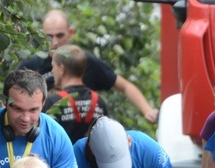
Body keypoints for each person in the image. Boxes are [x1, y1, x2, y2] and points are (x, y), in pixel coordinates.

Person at [18, 9, 158, 123]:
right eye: (49, 36)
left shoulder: (87, 61)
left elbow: (125, 85)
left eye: (60, 35)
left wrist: (147, 110)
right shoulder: (31, 66)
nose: (55, 42)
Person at [43, 45, 109, 144]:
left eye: (54, 66)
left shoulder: (52, 102)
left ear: (62, 69)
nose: (52, 71)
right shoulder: (99, 102)